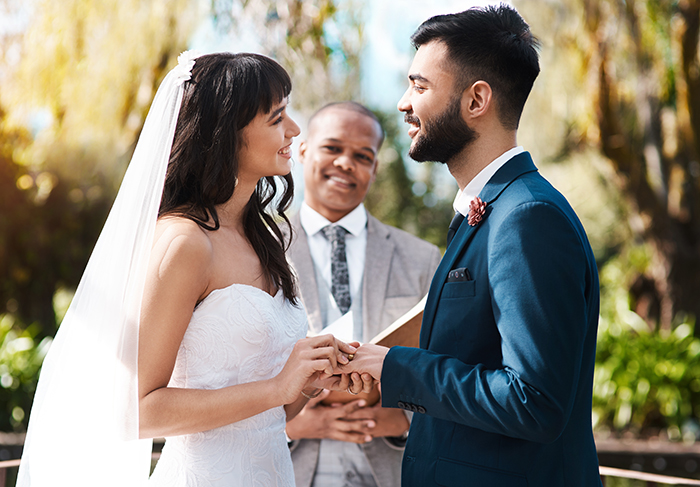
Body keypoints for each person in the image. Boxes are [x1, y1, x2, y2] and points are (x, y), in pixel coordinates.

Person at [17, 52, 360, 487]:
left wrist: (312, 376)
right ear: (226, 134)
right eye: (277, 118)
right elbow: (135, 410)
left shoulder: (266, 240)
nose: (294, 129)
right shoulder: (183, 243)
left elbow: (273, 412)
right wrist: (276, 387)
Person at [341, 6, 603, 487]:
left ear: (476, 99)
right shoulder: (487, 212)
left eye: (420, 86)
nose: (403, 102)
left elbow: (534, 401)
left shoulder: (527, 218)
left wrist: (399, 366)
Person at [285, 102, 441, 487]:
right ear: (303, 150)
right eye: (333, 148)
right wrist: (291, 422)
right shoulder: (258, 248)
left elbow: (449, 363)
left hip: (391, 469)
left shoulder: (422, 258)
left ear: (374, 168)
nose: (345, 163)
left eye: (362, 155)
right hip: (283, 470)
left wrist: (402, 420)